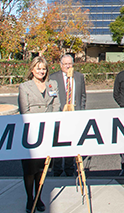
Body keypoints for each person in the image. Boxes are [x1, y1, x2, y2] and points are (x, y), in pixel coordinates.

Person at [18, 56, 60, 213]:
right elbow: (24, 109)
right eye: (38, 68)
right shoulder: (24, 87)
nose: (41, 71)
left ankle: (38, 197)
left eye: (43, 68)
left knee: (42, 169)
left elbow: (57, 104)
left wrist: (52, 122)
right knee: (30, 169)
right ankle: (30, 198)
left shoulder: (52, 84)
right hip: (31, 133)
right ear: (32, 69)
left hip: (47, 131)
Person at [48, 53, 86, 177]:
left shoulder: (79, 77)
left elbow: (83, 96)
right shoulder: (53, 78)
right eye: (65, 64)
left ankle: (70, 168)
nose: (68, 66)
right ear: (60, 65)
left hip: (74, 114)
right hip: (59, 114)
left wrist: (81, 110)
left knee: (71, 143)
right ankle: (57, 169)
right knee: (58, 144)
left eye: (70, 64)